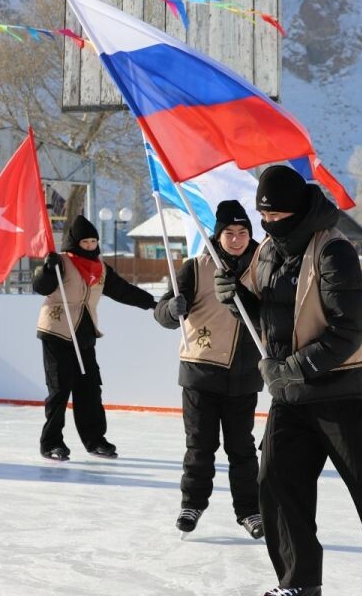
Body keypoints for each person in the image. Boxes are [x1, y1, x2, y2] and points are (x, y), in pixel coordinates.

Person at [215, 166, 362, 596]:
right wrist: (238, 299)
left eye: (278, 215)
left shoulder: (333, 250)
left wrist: (292, 368)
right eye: (265, 216)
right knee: (277, 487)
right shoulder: (268, 252)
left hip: (341, 393)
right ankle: (299, 583)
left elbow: (347, 330)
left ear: (297, 209)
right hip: (290, 396)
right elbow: (271, 321)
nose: (270, 223)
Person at [153, 200, 264, 538]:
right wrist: (172, 310)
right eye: (229, 233)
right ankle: (192, 503)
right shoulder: (195, 267)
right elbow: (161, 314)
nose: (236, 239)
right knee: (200, 445)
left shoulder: (264, 265)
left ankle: (250, 511)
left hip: (245, 373)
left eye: (242, 232)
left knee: (242, 448)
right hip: (201, 369)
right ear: (217, 236)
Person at [32, 214, 156, 461]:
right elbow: (41, 287)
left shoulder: (100, 267)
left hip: (85, 334)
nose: (89, 246)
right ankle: (51, 443)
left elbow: (122, 291)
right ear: (74, 242)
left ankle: (95, 441)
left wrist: (153, 303)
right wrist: (47, 269)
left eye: (93, 241)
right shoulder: (60, 262)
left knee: (90, 389)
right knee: (59, 389)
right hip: (57, 332)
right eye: (84, 242)